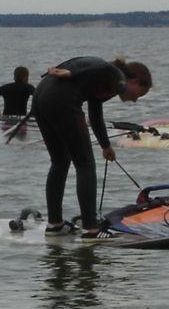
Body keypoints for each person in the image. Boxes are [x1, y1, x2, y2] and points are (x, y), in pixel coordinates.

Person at [32, 56, 152, 242]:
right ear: (134, 81)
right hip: (62, 99)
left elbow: (95, 113)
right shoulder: (117, 76)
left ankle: (55, 226)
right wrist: (71, 73)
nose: (135, 100)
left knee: (60, 162)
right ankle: (91, 230)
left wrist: (105, 146)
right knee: (85, 164)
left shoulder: (102, 83)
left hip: (41, 96)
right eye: (139, 93)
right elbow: (104, 66)